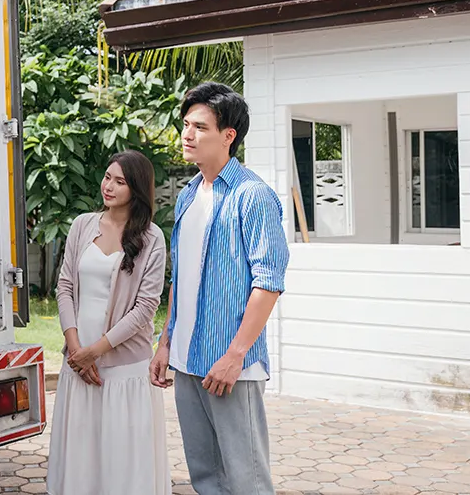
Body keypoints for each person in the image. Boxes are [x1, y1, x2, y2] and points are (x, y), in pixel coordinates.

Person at [150, 82, 289, 495]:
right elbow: (182, 277)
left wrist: (235, 356)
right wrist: (164, 343)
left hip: (229, 366)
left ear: (228, 135)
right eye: (185, 125)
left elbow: (269, 282)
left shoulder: (253, 196)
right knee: (206, 478)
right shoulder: (189, 194)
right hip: (187, 358)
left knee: (246, 479)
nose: (186, 135)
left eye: (199, 127)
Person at [47, 150, 171, 495]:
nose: (109, 186)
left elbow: (146, 307)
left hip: (123, 369)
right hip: (78, 363)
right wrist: (76, 350)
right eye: (107, 177)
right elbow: (66, 286)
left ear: (137, 189)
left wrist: (96, 352)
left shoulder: (151, 237)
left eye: (120, 181)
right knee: (82, 453)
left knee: (121, 457)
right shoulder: (82, 225)